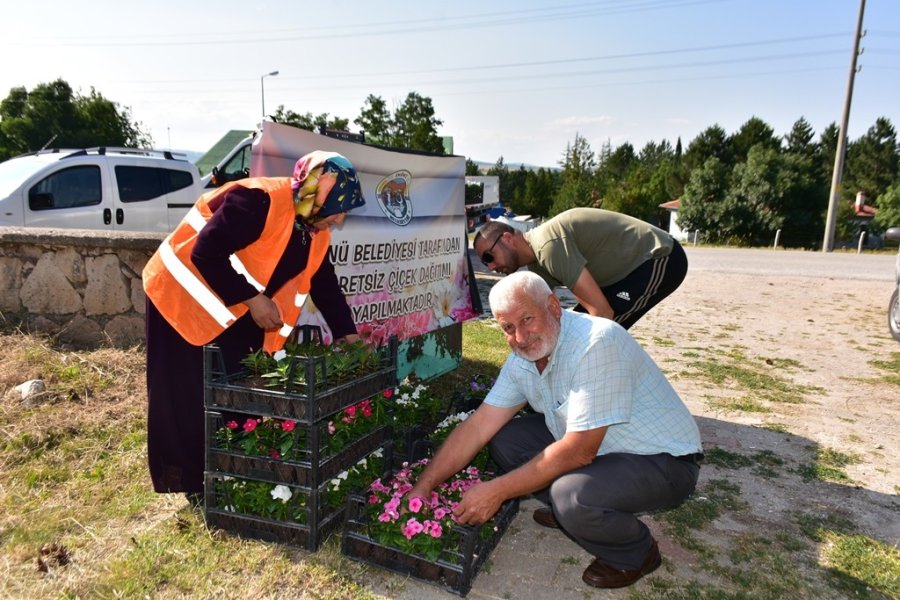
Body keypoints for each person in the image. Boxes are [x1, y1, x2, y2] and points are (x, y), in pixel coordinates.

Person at [407, 270, 702, 589]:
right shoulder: (523, 358)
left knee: (571, 497)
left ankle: (636, 552)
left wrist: (497, 491)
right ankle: (576, 513)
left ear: (553, 306)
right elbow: (479, 426)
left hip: (661, 459)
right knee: (505, 441)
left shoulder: (597, 343)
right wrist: (425, 484)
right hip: (602, 449)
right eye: (508, 327)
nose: (520, 337)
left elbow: (579, 451)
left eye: (527, 319)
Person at [142, 150, 365, 501]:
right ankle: (193, 485)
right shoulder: (258, 200)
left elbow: (325, 285)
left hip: (231, 307)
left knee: (232, 386)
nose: (339, 220)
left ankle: (224, 470)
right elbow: (206, 252)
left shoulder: (314, 230)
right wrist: (253, 299)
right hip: (180, 295)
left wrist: (348, 335)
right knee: (186, 394)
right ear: (311, 193)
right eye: (337, 208)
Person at [473, 207, 687, 329]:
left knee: (603, 331)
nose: (491, 267)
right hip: (622, 275)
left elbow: (601, 312)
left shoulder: (548, 248)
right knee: (573, 330)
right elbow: (547, 318)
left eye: (489, 256)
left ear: (508, 238)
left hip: (659, 257)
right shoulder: (537, 265)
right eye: (485, 263)